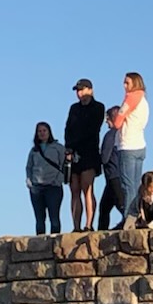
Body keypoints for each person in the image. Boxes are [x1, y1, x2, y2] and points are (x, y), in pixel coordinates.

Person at [64, 79, 105, 231]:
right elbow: (68, 128)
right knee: (74, 189)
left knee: (87, 188)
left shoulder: (98, 107)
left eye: (82, 90)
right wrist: (69, 147)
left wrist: (76, 142)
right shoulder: (74, 108)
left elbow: (93, 129)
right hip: (73, 153)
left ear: (90, 90)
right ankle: (76, 226)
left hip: (89, 152)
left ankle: (88, 224)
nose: (79, 93)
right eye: (78, 91)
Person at [114, 72, 150, 209]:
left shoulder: (130, 98)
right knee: (136, 185)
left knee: (127, 185)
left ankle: (130, 216)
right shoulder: (144, 101)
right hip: (140, 144)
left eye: (127, 83)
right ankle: (137, 212)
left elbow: (117, 122)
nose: (124, 86)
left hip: (128, 145)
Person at [26, 122, 66, 235]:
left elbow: (64, 164)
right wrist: (29, 180)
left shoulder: (58, 147)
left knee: (54, 218)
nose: (42, 133)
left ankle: (54, 241)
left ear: (49, 132)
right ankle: (40, 242)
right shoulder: (34, 150)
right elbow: (29, 166)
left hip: (53, 186)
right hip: (37, 187)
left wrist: (59, 180)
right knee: (39, 220)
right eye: (39, 131)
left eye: (44, 130)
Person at [98, 106, 124, 230]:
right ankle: (102, 231)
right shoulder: (123, 133)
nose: (106, 122)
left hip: (113, 174)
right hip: (119, 174)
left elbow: (104, 157)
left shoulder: (110, 135)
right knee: (105, 207)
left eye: (107, 119)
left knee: (120, 204)